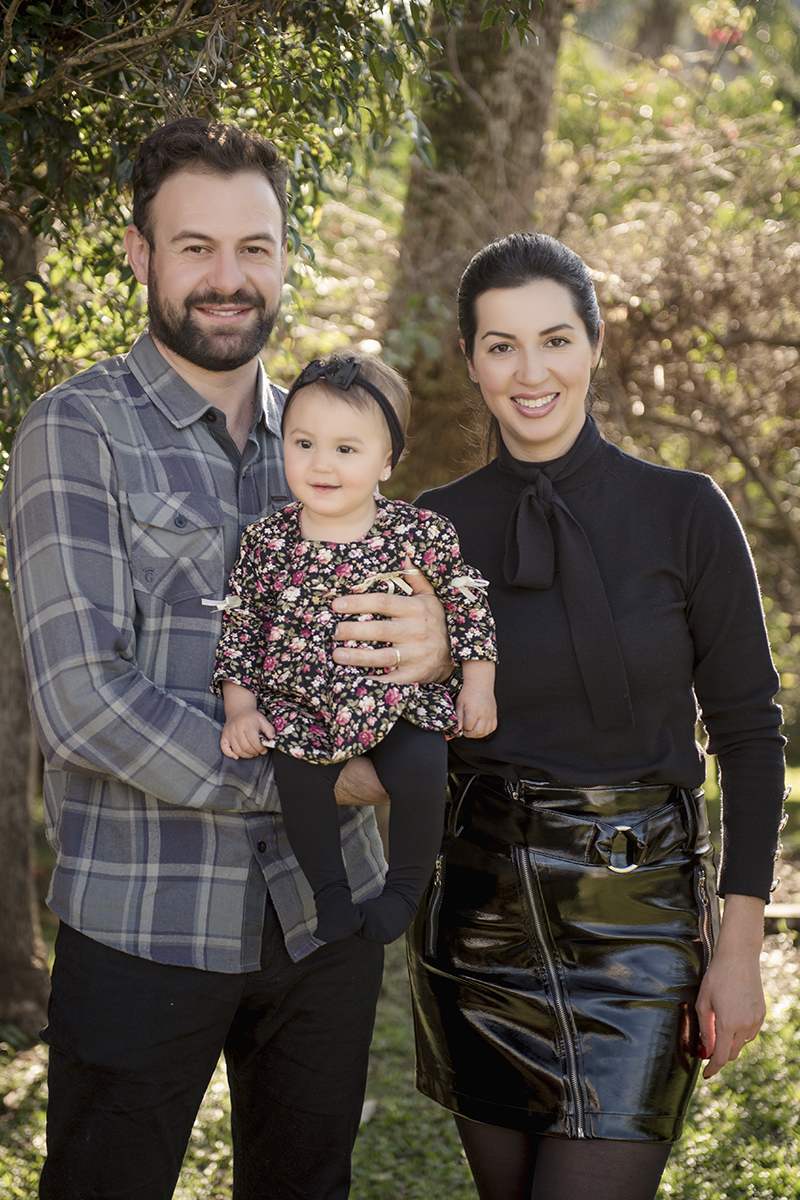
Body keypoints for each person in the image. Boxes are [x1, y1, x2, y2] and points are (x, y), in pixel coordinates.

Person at [0, 116, 453, 1200]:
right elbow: (83, 702)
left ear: (284, 255)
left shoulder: (326, 438)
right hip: (141, 923)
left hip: (321, 920)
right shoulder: (75, 433)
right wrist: (318, 776)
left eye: (253, 247)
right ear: (139, 253)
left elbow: (388, 641)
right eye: (194, 246)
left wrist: (431, 651)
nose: (226, 277)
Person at [405, 231, 787, 1200]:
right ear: (470, 362)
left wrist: (734, 948)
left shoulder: (686, 513)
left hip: (638, 927)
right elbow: (394, 728)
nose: (529, 372)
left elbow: (746, 736)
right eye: (500, 346)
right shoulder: (427, 530)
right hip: (476, 924)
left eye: (553, 340)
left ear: (594, 343)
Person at [212, 350, 497, 945]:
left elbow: (468, 603)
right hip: (302, 707)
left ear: (385, 461)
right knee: (296, 774)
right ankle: (331, 896)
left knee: (423, 767)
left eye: (346, 449)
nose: (322, 464)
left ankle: (402, 894)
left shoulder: (416, 532)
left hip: (395, 701)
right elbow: (243, 628)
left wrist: (478, 686)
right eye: (304, 443)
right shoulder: (267, 542)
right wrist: (242, 709)